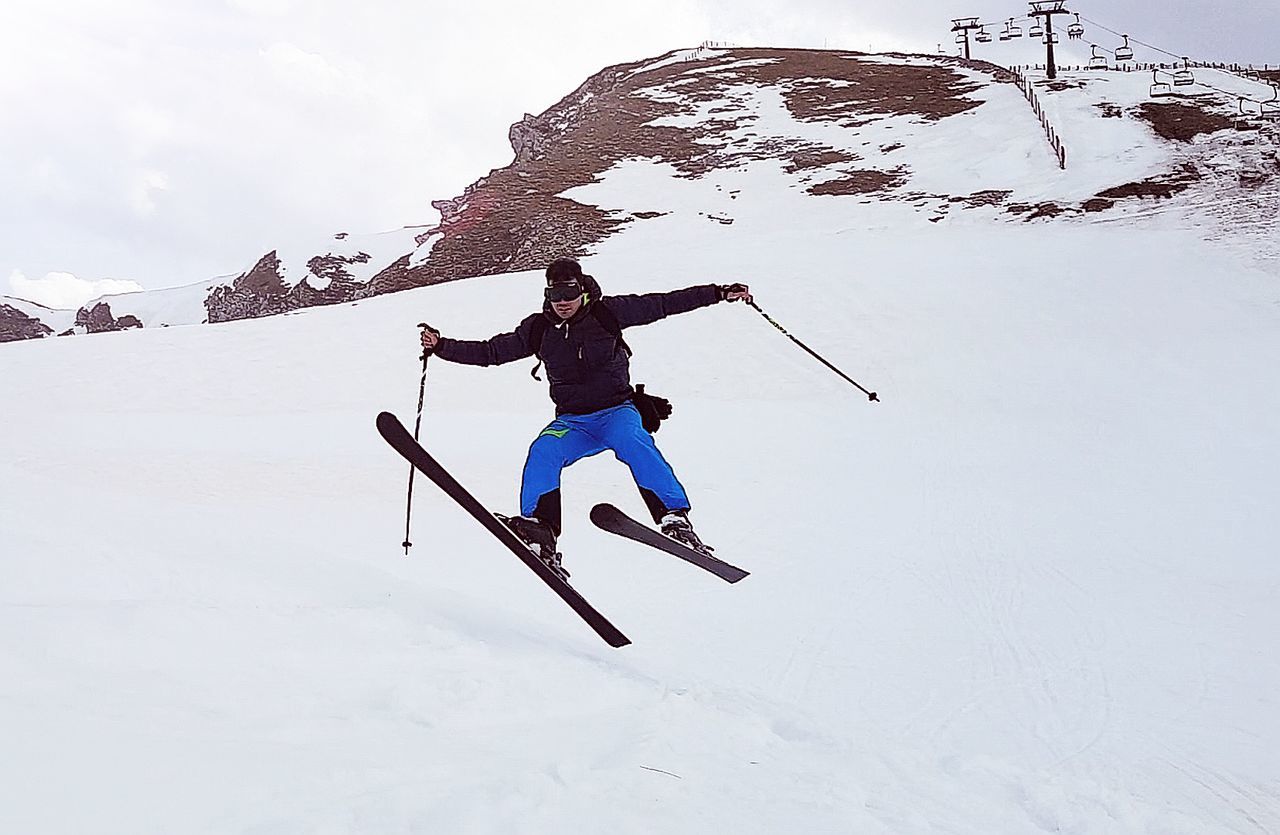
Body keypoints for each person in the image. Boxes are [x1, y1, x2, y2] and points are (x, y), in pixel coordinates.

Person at [420, 257, 751, 577]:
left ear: (583, 290)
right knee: (544, 450)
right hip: (573, 423)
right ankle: (540, 530)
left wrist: (718, 293)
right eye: (555, 295)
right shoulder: (538, 328)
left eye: (569, 294)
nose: (563, 302)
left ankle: (674, 519)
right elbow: (491, 352)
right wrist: (442, 346)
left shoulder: (608, 313)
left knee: (633, 441)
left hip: (616, 413)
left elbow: (663, 303)